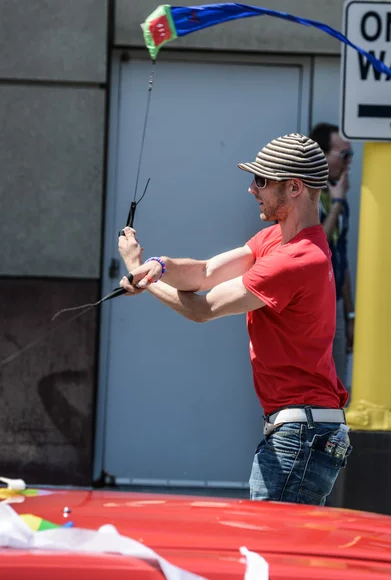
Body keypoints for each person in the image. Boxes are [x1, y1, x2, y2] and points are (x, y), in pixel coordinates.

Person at [118, 133, 351, 505]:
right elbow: (206, 272)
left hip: (302, 433)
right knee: (280, 553)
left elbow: (202, 308)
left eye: (261, 180)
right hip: (306, 429)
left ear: (293, 187)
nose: (251, 189)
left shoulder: (297, 259)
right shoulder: (275, 240)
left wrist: (136, 273)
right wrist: (156, 266)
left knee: (272, 551)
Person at [309, 123, 355, 388]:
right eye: (343, 155)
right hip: (311, 306)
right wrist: (336, 205)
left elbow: (342, 260)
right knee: (315, 385)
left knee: (336, 386)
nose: (348, 163)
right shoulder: (306, 197)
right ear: (321, 156)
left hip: (335, 302)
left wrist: (350, 314)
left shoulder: (339, 198)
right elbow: (312, 248)